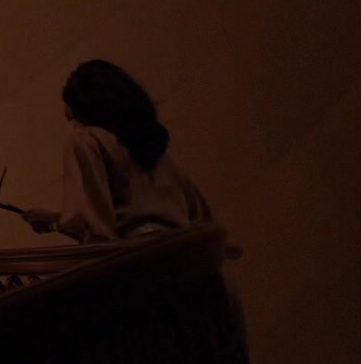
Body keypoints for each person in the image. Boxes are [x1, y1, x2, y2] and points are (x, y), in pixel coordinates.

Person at [24, 60, 220, 245]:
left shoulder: (86, 141)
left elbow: (93, 223)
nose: (67, 115)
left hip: (140, 257)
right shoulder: (157, 147)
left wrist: (58, 223)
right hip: (186, 253)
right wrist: (55, 220)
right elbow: (198, 216)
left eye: (70, 105)